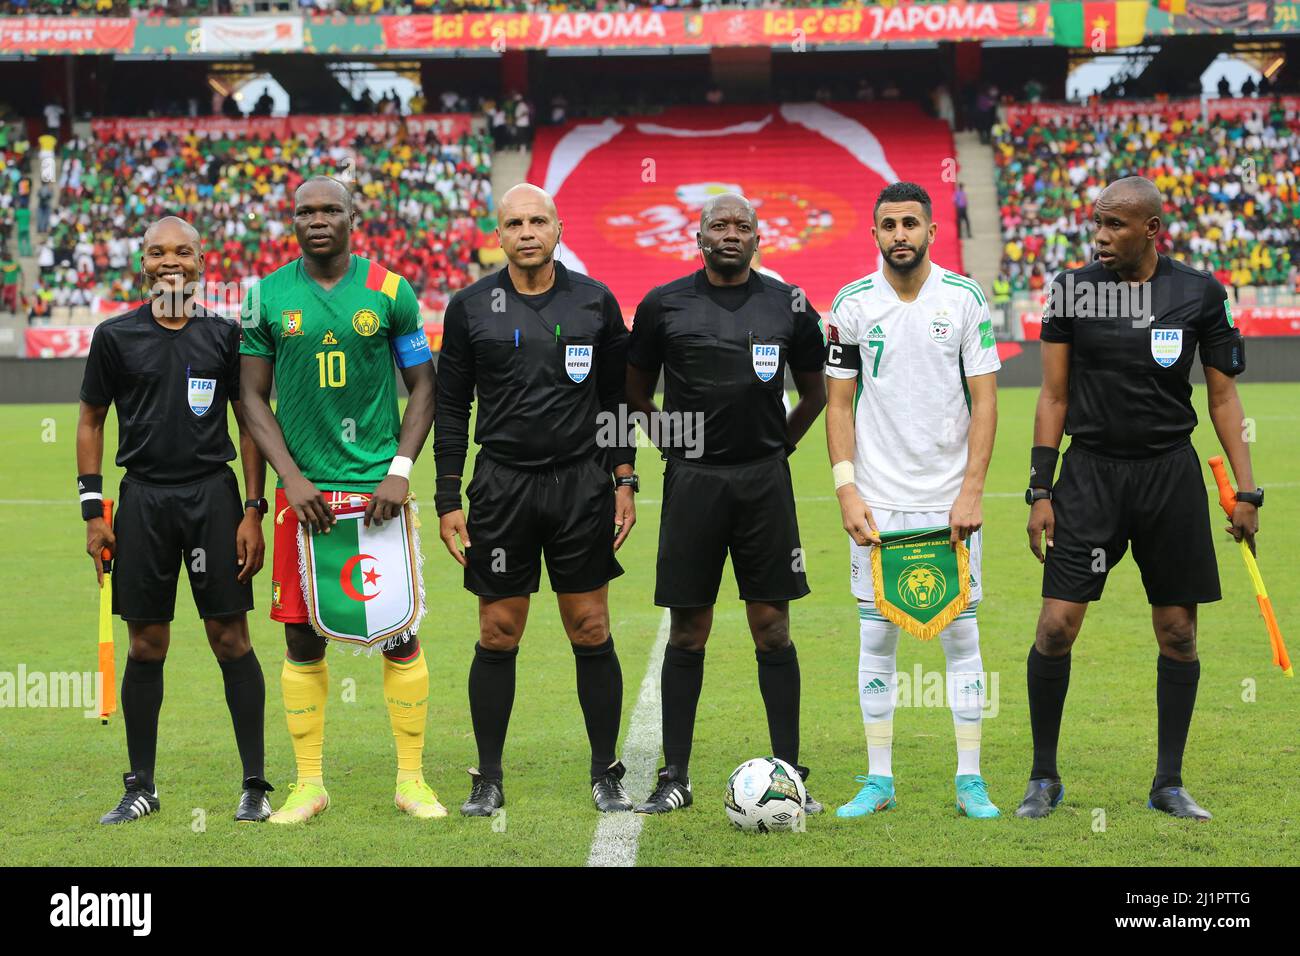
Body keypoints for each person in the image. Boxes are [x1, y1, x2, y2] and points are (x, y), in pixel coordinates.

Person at [1020, 176, 1258, 821]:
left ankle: (1168, 783)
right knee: (1055, 627)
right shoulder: (1071, 290)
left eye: (1114, 226)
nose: (1100, 236)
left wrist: (1245, 489)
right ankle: (1043, 778)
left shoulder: (1199, 293)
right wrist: (1041, 489)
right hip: (1091, 475)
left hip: (1168, 478)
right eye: (1096, 223)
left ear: (1152, 229)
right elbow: (1053, 397)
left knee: (1178, 632)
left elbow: (1224, 397)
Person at [238, 177, 441, 824]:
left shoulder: (389, 290)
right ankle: (308, 784)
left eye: (331, 209)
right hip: (304, 499)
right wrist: (291, 480)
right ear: (291, 219)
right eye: (306, 210)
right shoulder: (264, 296)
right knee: (302, 640)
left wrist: (400, 470)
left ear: (355, 216)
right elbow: (249, 397)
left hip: (378, 495)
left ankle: (411, 781)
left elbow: (423, 386)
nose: (318, 219)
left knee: (398, 635)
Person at [434, 183, 637, 816]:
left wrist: (623, 477)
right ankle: (488, 775)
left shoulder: (595, 302)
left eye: (538, 221)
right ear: (499, 235)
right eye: (515, 222)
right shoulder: (469, 307)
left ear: (557, 229)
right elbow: (450, 407)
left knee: (591, 626)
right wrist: (446, 498)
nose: (527, 231)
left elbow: (616, 399)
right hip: (501, 486)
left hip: (581, 484)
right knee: (498, 631)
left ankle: (606, 771)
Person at [625, 192, 827, 815]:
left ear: (758, 237)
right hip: (694, 486)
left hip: (764, 485)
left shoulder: (788, 304)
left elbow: (816, 393)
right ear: (700, 234)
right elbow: (632, 394)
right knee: (689, 630)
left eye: (743, 225)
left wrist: (776, 449)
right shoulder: (664, 304)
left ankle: (791, 772)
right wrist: (675, 449)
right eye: (720, 224)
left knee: (772, 627)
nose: (731, 233)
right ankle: (675, 775)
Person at [76, 216, 271, 824]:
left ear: (201, 260)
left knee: (230, 638)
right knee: (146, 642)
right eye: (158, 252)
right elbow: (90, 419)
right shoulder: (115, 336)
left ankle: (256, 785)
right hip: (142, 503)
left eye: (182, 251)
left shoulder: (224, 335)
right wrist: (93, 511)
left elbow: (251, 423)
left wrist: (252, 509)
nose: (170, 262)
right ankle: (141, 786)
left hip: (213, 497)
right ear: (142, 263)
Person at [824, 182, 1002, 820]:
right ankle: (878, 778)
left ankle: (970, 778)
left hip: (948, 501)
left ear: (931, 231)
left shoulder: (963, 298)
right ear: (874, 234)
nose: (900, 233)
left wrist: (972, 489)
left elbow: (985, 399)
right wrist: (847, 486)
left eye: (911, 223)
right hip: (878, 500)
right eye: (889, 224)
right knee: (876, 639)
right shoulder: (849, 305)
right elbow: (838, 403)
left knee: (962, 638)